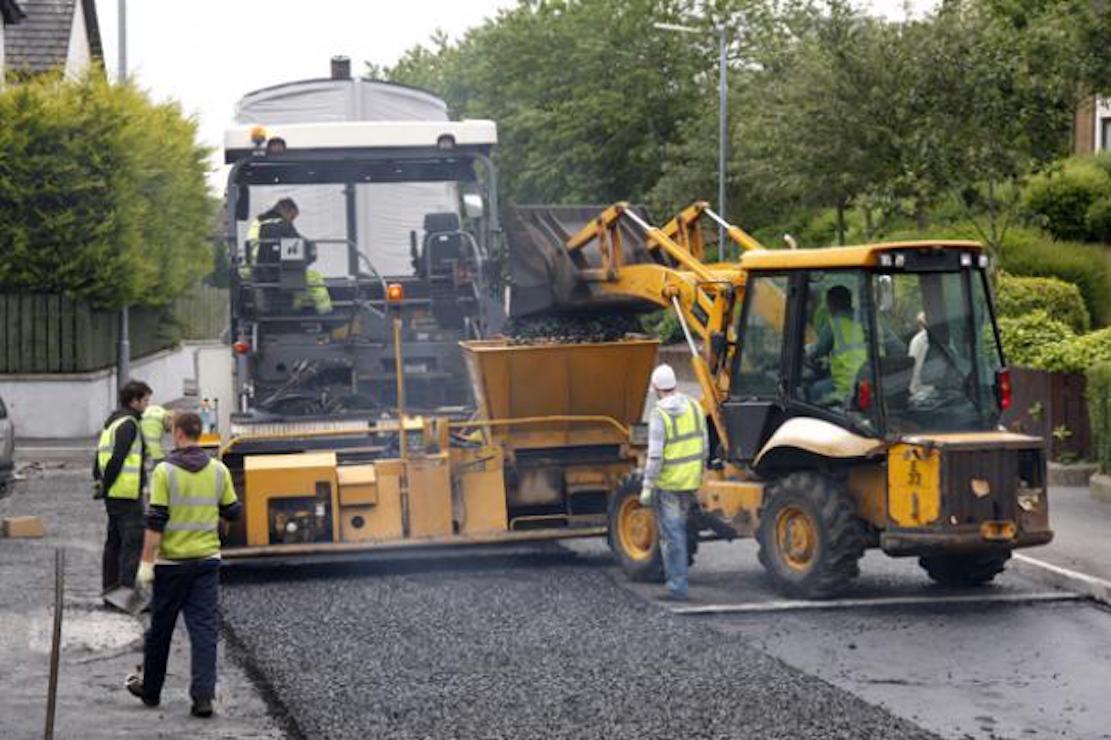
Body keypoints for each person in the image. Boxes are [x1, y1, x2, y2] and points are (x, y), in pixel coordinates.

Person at [126, 411, 242, 718]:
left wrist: (146, 564)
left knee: (161, 630)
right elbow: (233, 510)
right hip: (206, 563)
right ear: (199, 433)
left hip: (171, 564)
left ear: (177, 434)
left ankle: (151, 691)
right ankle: (203, 698)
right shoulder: (218, 470)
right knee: (204, 631)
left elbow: (156, 523)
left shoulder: (164, 472)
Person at [639, 364, 707, 601]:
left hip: (668, 484)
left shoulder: (660, 414)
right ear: (675, 384)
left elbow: (655, 455)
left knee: (672, 535)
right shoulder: (694, 406)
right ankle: (678, 580)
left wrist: (647, 486)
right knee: (681, 530)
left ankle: (677, 586)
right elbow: (704, 443)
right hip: (690, 481)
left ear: (656, 388)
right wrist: (700, 473)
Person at [95, 380, 152, 600]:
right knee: (132, 544)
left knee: (114, 543)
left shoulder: (113, 422)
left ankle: (110, 590)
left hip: (115, 495)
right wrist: (108, 484)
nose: (147, 405)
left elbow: (98, 455)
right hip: (126, 494)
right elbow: (117, 458)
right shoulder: (129, 424)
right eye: (145, 400)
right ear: (134, 400)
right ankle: (126, 596)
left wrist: (102, 485)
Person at [806, 285, 867, 403]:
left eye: (828, 303)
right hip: (870, 380)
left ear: (833, 303)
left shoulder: (834, 324)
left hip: (848, 384)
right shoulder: (866, 321)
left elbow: (818, 351)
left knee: (815, 390)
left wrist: (807, 351)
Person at [240, 197, 301, 278]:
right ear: (285, 210)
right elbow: (296, 243)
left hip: (254, 268)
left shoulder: (260, 221)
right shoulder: (278, 225)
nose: (291, 221)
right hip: (265, 271)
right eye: (292, 217)